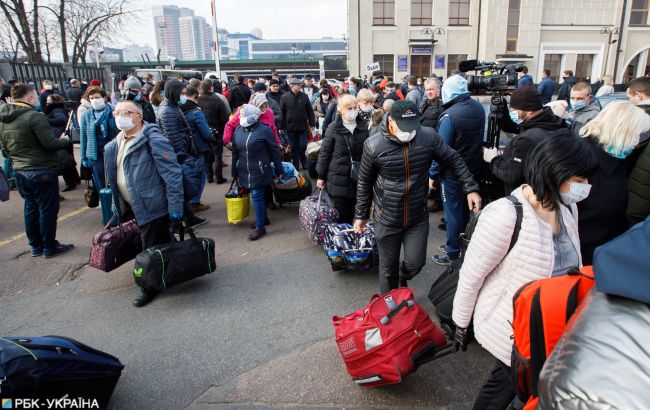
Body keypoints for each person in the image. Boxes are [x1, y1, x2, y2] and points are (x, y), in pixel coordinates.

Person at [452, 133, 597, 409]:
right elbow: (472, 275)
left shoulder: (568, 208)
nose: (586, 187)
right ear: (556, 173)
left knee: (519, 386)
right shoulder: (506, 215)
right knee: (508, 385)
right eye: (580, 181)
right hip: (514, 327)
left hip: (553, 325)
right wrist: (461, 324)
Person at [354, 100, 481, 293]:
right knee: (387, 271)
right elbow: (364, 181)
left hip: (417, 215)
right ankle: (389, 307)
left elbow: (453, 158)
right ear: (391, 121)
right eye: (404, 127)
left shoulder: (428, 136)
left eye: (413, 127)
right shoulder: (374, 145)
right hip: (386, 216)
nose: (409, 132)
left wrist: (471, 188)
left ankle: (402, 277)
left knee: (415, 263)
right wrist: (361, 215)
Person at [104, 100, 184, 307]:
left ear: (139, 116)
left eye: (127, 112)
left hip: (152, 205)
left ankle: (149, 286)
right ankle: (173, 270)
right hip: (130, 205)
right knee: (158, 242)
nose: (121, 116)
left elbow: (172, 174)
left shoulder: (152, 140)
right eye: (117, 112)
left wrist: (176, 208)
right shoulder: (117, 142)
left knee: (149, 248)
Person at [0, 84, 74, 258]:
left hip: (20, 169)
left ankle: (35, 245)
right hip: (41, 169)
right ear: (28, 98)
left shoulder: (3, 118)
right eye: (34, 96)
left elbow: (4, 149)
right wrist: (64, 140)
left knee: (30, 208)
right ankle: (49, 245)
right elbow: (50, 144)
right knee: (47, 209)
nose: (36, 99)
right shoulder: (34, 117)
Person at [577, 101, 650, 265]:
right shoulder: (583, 160)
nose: (638, 142)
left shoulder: (615, 159)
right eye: (638, 134)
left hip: (602, 252)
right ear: (623, 131)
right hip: (583, 258)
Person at [430, 75, 486, 266]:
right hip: (473, 169)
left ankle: (453, 252)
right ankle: (460, 245)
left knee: (453, 214)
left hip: (452, 173)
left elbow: (442, 150)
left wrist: (432, 174)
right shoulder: (478, 107)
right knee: (463, 211)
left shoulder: (449, 116)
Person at [486, 86, 567, 194]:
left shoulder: (528, 139)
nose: (512, 111)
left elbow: (512, 174)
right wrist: (503, 104)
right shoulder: (553, 123)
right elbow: (513, 127)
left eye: (514, 109)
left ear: (528, 111)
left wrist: (493, 160)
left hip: (524, 198)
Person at [156, 79, 206, 228]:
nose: (184, 96)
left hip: (177, 154)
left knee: (182, 189)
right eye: (182, 93)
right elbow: (172, 137)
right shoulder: (168, 111)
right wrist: (182, 156)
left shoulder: (172, 106)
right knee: (180, 189)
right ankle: (176, 224)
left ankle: (189, 218)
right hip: (175, 156)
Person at [231, 104, 283, 241]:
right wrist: (233, 170)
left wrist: (279, 169)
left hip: (259, 169)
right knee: (256, 195)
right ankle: (263, 219)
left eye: (241, 115)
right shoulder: (238, 130)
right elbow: (235, 151)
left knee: (257, 195)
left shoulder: (265, 130)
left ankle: (260, 227)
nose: (239, 117)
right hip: (243, 169)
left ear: (251, 115)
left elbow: (275, 151)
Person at [316, 95, 370, 223]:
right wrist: (321, 176)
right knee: (342, 216)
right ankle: (343, 241)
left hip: (358, 178)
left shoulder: (363, 127)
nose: (353, 111)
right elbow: (324, 153)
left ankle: (355, 240)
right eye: (349, 108)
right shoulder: (333, 127)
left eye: (355, 107)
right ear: (341, 110)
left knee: (358, 215)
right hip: (338, 178)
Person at [181, 86, 213, 212]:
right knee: (198, 175)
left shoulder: (177, 110)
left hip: (182, 148)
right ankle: (194, 202)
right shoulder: (196, 112)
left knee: (187, 174)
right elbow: (206, 133)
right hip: (197, 148)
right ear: (195, 97)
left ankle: (189, 202)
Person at [79, 86, 117, 191]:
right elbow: (84, 136)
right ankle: (105, 202)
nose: (94, 100)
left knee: (114, 180)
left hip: (112, 151)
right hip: (95, 154)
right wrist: (84, 157)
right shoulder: (86, 115)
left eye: (97, 97)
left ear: (104, 98)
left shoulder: (113, 112)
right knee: (100, 181)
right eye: (91, 98)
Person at [45, 94, 80, 192]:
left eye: (49, 101)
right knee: (68, 160)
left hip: (60, 137)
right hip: (63, 136)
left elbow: (62, 120)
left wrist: (46, 120)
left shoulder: (56, 110)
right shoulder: (59, 109)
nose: (47, 103)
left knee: (63, 162)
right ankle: (75, 179)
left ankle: (70, 182)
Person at [279, 77, 316, 170]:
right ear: (291, 86)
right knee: (294, 147)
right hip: (290, 127)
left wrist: (312, 124)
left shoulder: (304, 96)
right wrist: (281, 126)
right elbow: (281, 113)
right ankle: (296, 165)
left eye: (300, 84)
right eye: (298, 85)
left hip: (303, 127)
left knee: (303, 145)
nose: (300, 86)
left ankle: (303, 162)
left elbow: (310, 111)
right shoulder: (284, 97)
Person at [197, 79, 229, 184]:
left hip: (203, 132)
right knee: (217, 155)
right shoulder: (218, 100)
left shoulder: (197, 101)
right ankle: (219, 177)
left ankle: (209, 176)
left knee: (207, 155)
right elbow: (224, 118)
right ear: (211, 87)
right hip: (216, 131)